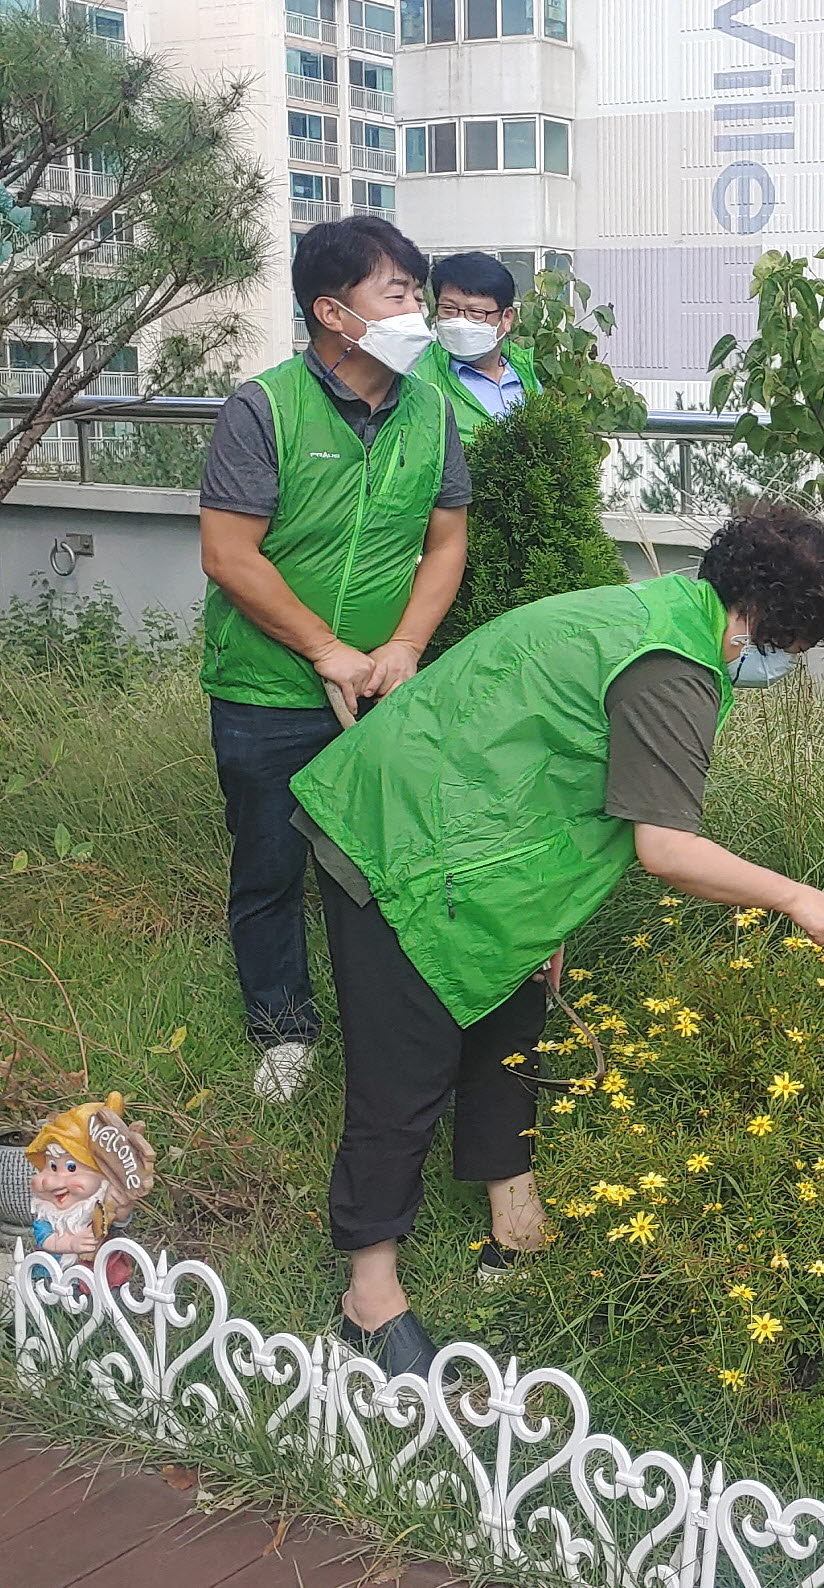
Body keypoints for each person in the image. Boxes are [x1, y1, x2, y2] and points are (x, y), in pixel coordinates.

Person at [288, 503, 824, 1380]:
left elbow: (555, 767)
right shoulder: (672, 665)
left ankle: (516, 1231)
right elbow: (665, 848)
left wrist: (543, 920)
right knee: (402, 1070)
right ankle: (369, 1299)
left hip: (468, 832)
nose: (790, 666)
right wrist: (795, 897)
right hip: (400, 836)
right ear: (761, 619)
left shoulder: (660, 613)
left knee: (511, 1024)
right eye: (798, 647)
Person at [199, 217, 467, 1105]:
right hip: (266, 689)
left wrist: (403, 647)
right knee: (270, 866)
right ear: (332, 313)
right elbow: (230, 554)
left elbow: (445, 541)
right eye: (398, 293)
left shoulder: (430, 411)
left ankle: (392, 1033)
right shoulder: (264, 408)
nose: (418, 311)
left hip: (385, 684)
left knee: (391, 867)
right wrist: (324, 651)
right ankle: (282, 1031)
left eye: (417, 293)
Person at [411, 250, 542, 432]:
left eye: (476, 313)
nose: (460, 322)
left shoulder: (524, 375)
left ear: (507, 318)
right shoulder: (417, 376)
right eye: (448, 309)